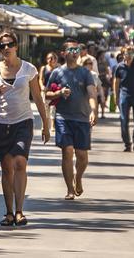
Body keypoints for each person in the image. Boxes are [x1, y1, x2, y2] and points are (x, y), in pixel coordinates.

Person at [0, 31, 50, 227]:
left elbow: (37, 97)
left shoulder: (29, 69)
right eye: (2, 45)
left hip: (23, 121)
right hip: (1, 123)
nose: (6, 48)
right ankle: (9, 212)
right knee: (6, 167)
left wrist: (45, 124)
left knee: (20, 162)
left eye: (10, 44)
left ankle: (19, 211)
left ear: (16, 46)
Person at [45, 40, 98, 201]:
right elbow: (47, 94)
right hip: (63, 118)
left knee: (82, 156)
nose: (75, 52)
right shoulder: (57, 73)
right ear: (64, 53)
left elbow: (91, 94)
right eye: (71, 49)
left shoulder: (85, 73)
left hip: (82, 118)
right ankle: (69, 189)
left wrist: (93, 110)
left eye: (77, 49)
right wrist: (59, 93)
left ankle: (78, 177)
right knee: (67, 152)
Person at [113, 47, 134, 152]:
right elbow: (116, 82)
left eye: (131, 53)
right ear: (123, 54)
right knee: (124, 121)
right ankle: (127, 144)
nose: (129, 55)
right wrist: (116, 96)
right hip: (124, 96)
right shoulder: (119, 67)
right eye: (127, 53)